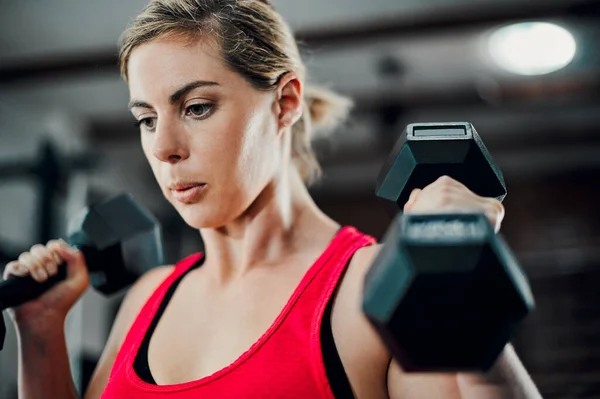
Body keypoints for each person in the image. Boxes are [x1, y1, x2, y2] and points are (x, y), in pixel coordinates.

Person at [3, 0, 543, 398]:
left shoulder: (372, 289)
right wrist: (41, 333)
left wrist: (462, 289)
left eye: (196, 108)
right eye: (146, 119)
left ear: (284, 103)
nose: (164, 148)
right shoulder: (147, 298)